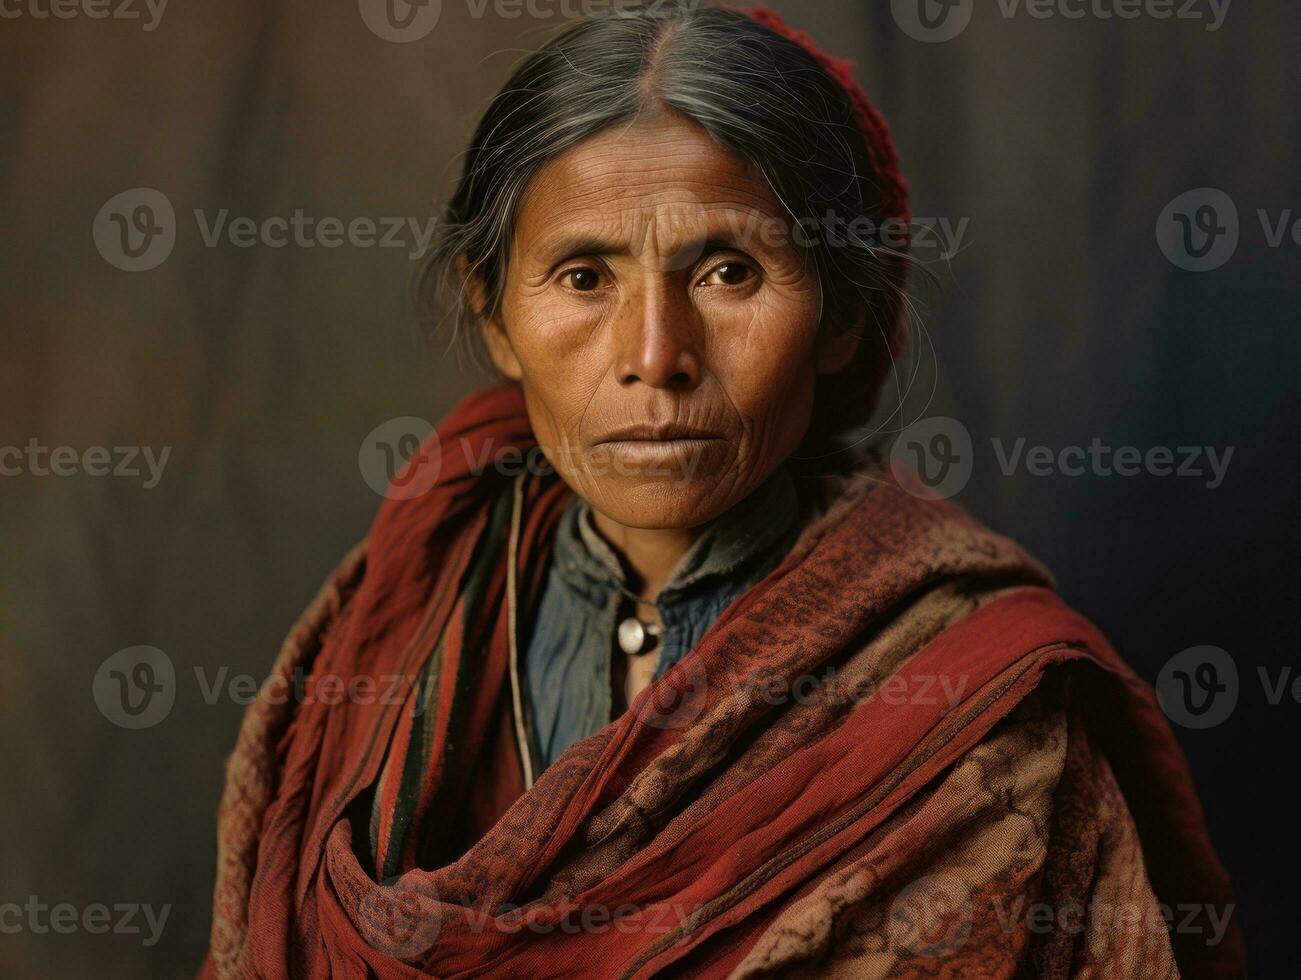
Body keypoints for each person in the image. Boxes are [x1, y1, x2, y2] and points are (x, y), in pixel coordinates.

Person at [201, 4, 1243, 977]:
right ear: (492, 316)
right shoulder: (387, 637)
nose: (655, 355)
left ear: (838, 318)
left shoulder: (974, 701)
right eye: (581, 276)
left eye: (728, 273)